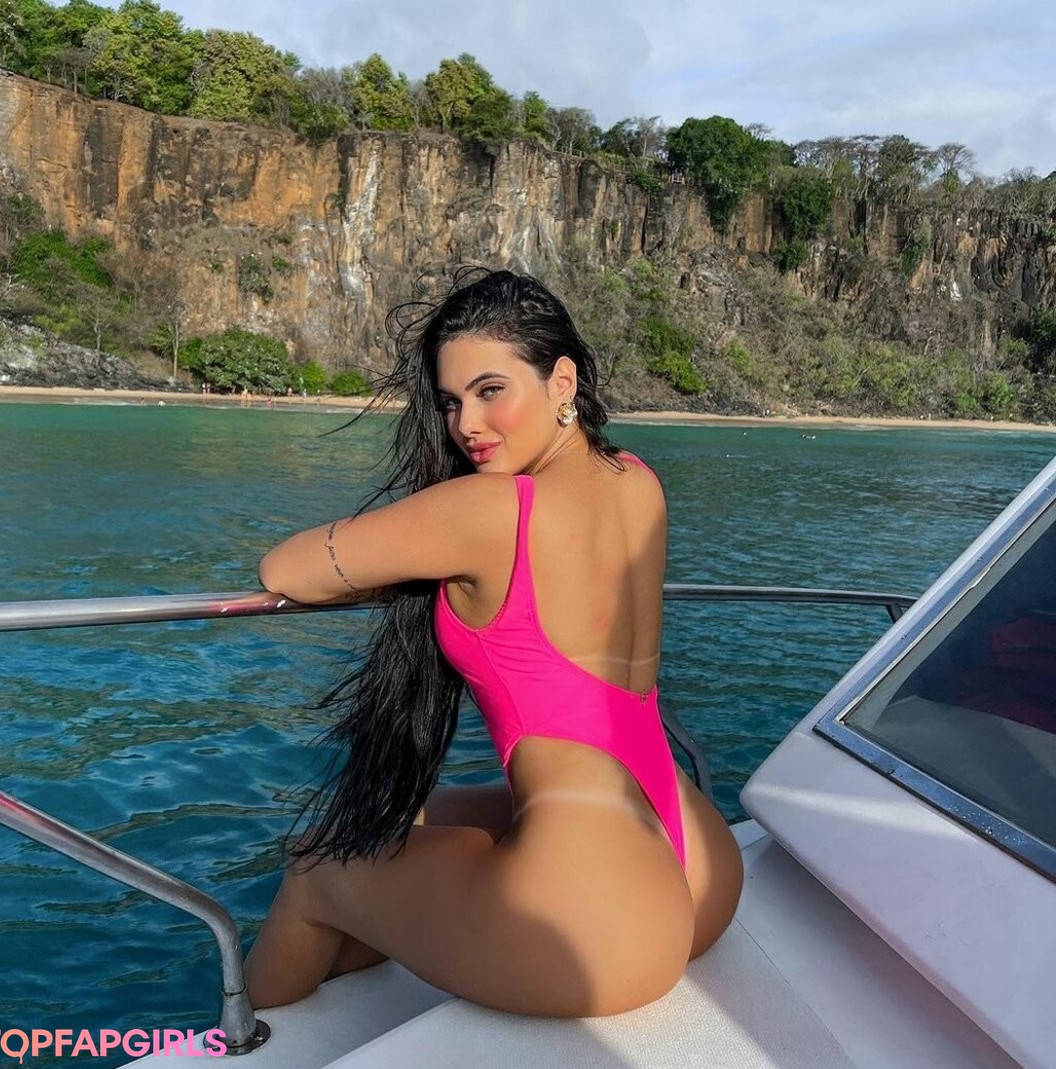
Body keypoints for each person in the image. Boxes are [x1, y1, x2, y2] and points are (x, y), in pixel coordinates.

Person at [245, 268, 742, 1017]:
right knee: (396, 821)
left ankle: (230, 1051)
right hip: (694, 855)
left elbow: (286, 569)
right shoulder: (636, 479)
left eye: (489, 390)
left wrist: (417, 565)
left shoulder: (492, 508)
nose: (466, 424)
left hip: (599, 919)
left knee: (314, 867)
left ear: (561, 382)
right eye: (451, 401)